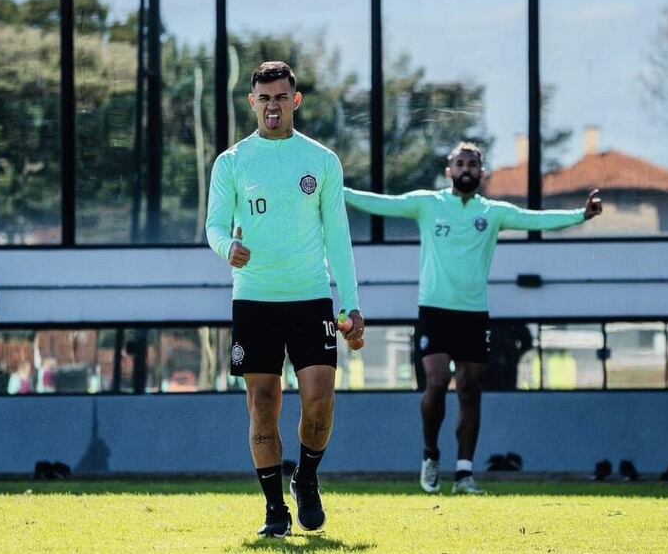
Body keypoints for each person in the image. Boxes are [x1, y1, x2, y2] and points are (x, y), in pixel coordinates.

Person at [344, 142, 602, 495]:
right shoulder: (427, 204)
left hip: (473, 314)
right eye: (460, 163)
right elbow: (381, 203)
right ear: (448, 169)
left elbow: (535, 219)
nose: (466, 169)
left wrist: (581, 215)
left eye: (473, 164)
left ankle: (464, 473)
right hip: (434, 311)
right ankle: (431, 455)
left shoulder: (493, 212)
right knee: (436, 382)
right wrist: (335, 189)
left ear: (482, 173)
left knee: (469, 389)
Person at [206, 61, 364, 537]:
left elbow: (338, 237)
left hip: (311, 298)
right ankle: (275, 510)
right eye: (263, 98)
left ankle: (307, 478)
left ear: (294, 101)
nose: (271, 106)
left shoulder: (321, 161)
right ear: (252, 102)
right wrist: (226, 247)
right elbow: (214, 226)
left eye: (280, 98)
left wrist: (350, 305)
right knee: (263, 403)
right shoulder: (232, 162)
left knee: (320, 399)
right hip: (254, 299)